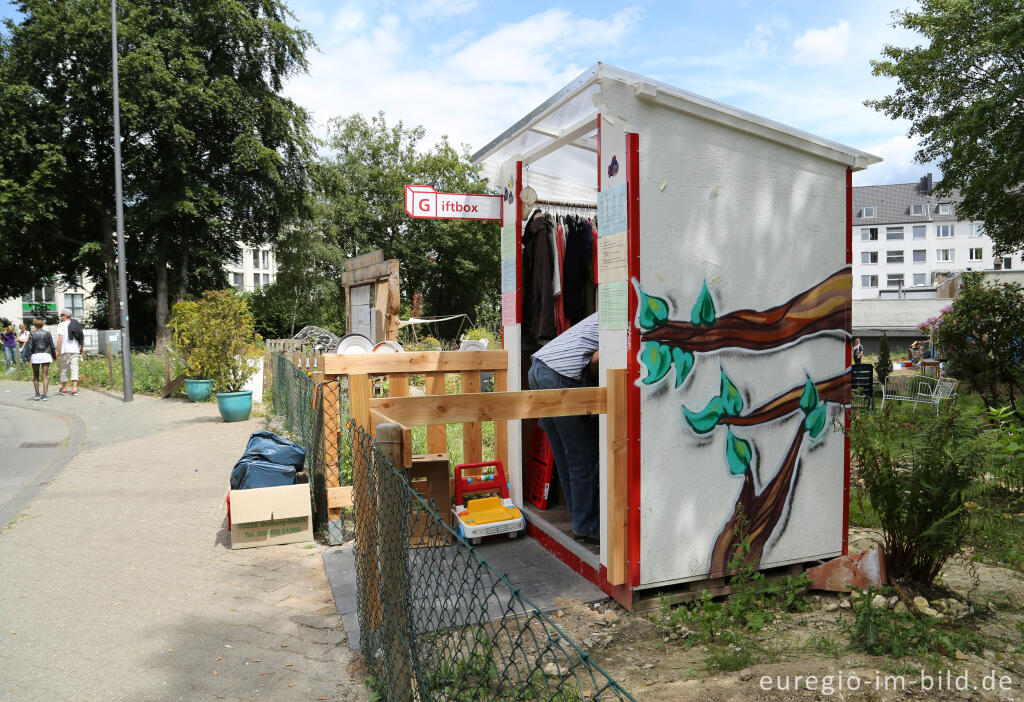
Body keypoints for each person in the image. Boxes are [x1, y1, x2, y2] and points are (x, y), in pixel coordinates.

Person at [527, 312, 600, 545]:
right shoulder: (625, 316)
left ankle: (581, 520)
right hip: (558, 375)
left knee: (566, 455)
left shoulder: (604, 313)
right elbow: (599, 360)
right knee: (583, 456)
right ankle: (587, 526)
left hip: (538, 369)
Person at [24, 318, 56, 400]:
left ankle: (37, 395)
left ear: (34, 325)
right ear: (43, 325)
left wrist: (28, 359)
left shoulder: (32, 334)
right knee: (45, 376)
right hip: (46, 355)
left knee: (36, 376)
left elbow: (30, 347)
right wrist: (54, 356)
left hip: (35, 355)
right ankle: (45, 395)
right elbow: (52, 346)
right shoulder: (47, 333)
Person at [57, 308, 83, 395]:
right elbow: (81, 336)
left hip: (65, 350)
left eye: (61, 315)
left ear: (64, 315)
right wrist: (81, 347)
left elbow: (60, 338)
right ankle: (75, 389)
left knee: (64, 369)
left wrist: (57, 350)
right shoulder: (76, 324)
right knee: (74, 369)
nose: (60, 317)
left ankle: (64, 388)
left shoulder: (61, 325)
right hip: (75, 349)